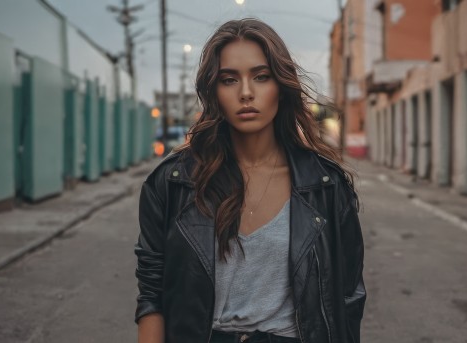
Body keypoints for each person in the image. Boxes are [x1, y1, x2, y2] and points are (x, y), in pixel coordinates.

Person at [135, 18, 366, 343]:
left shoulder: (325, 185)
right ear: (214, 91)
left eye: (261, 77)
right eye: (229, 80)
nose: (246, 93)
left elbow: (347, 298)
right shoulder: (174, 181)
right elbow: (152, 294)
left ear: (281, 87)